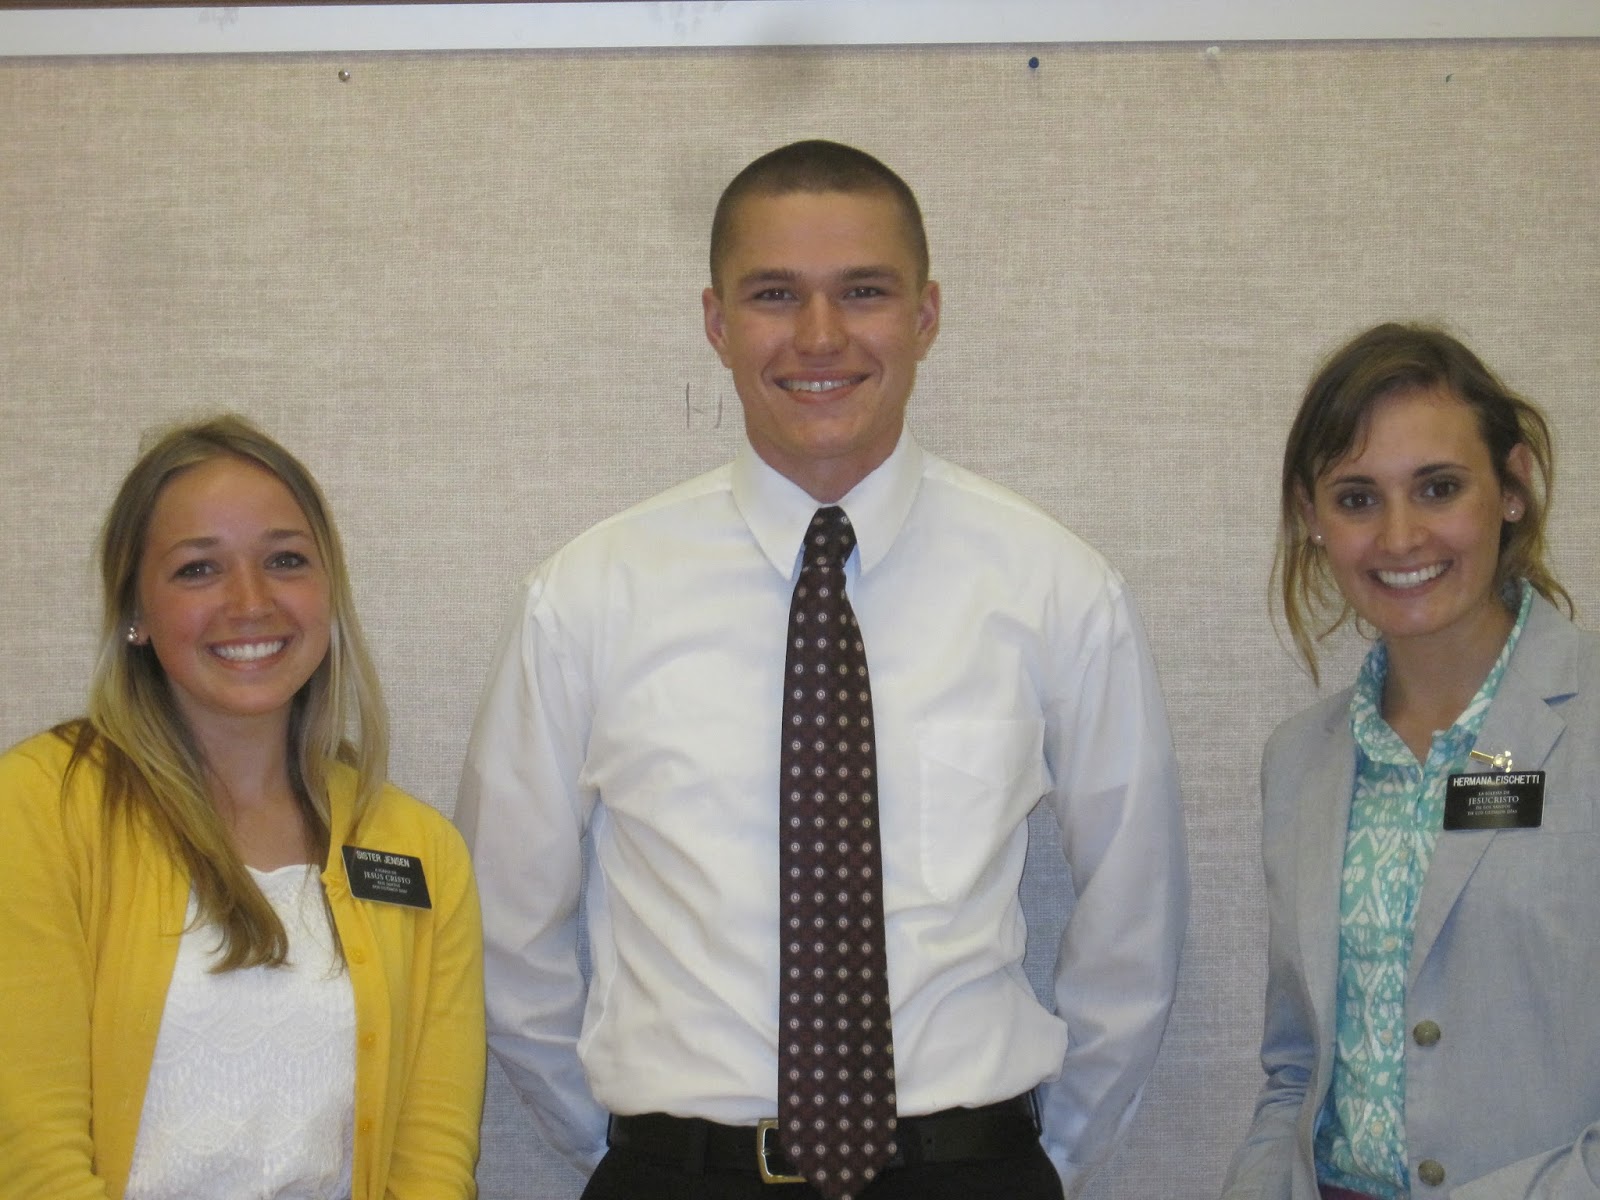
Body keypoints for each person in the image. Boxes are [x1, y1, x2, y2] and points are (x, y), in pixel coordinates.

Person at [457, 139, 1187, 1200]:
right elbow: (504, 926)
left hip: (966, 1172)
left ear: (926, 314)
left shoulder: (1055, 589)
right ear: (716, 322)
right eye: (773, 294)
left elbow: (1134, 917)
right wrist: (629, 1148)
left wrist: (1046, 1158)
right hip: (682, 1176)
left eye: (863, 291)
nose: (819, 335)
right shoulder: (585, 600)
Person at [0, 415, 486, 1200]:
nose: (251, 602)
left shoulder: (417, 847)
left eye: (285, 560)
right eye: (198, 570)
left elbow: (430, 1162)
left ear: (329, 591)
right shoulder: (37, 807)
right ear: (134, 611)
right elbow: (30, 1158)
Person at [1221, 323, 1600, 1200]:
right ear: (1313, 519)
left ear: (1513, 487)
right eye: (1357, 498)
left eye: (1438, 487)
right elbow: (1296, 1068)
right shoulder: (1300, 762)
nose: (1399, 536)